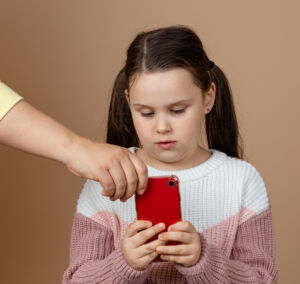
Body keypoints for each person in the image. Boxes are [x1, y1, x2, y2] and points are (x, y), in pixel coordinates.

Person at [62, 25, 278, 283]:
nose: (162, 127)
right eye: (146, 113)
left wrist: (203, 261)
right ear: (129, 102)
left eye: (177, 110)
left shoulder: (243, 180)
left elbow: (264, 279)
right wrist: (124, 264)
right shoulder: (107, 178)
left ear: (208, 98)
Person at [0, 81, 148, 202]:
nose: (162, 128)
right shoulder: (101, 188)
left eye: (173, 111)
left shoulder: (109, 172)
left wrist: (75, 149)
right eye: (147, 113)